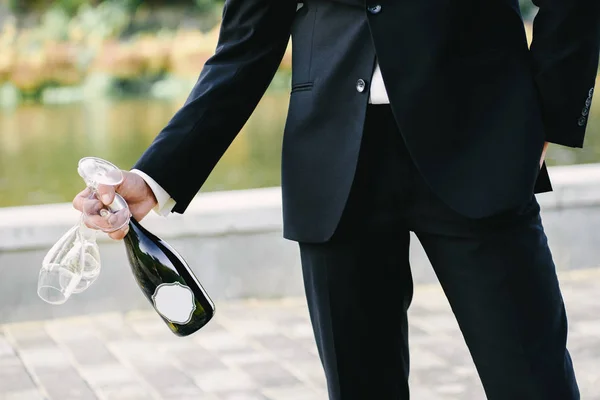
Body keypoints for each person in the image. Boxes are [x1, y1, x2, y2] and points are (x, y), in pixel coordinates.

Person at [73, 0, 600, 398]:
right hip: (332, 163)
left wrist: (544, 121)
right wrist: (154, 177)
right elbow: (246, 43)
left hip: (481, 142)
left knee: (535, 382)